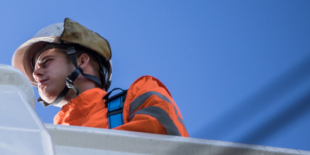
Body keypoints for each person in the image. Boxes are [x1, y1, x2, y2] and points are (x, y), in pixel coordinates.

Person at [12, 19, 189, 137]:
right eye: (35, 70)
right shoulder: (45, 139)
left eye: (46, 62)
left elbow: (163, 145)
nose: (36, 75)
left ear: (81, 61)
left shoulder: (140, 93)